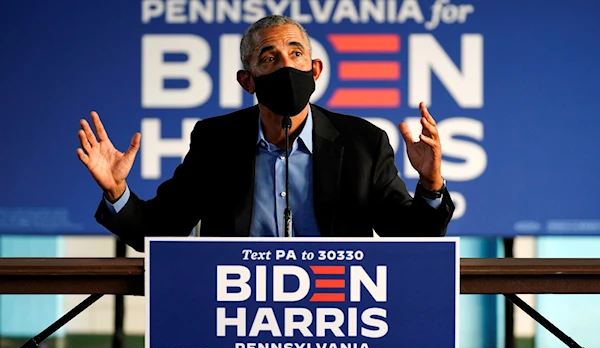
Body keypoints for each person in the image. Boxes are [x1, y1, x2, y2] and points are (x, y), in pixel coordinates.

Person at [77, 15, 455, 252]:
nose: (286, 66)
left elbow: (412, 240)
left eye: (296, 54)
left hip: (338, 310)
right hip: (238, 314)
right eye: (269, 58)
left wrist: (431, 183)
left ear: (316, 70)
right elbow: (158, 231)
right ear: (248, 80)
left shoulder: (362, 142)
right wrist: (116, 190)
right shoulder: (215, 141)